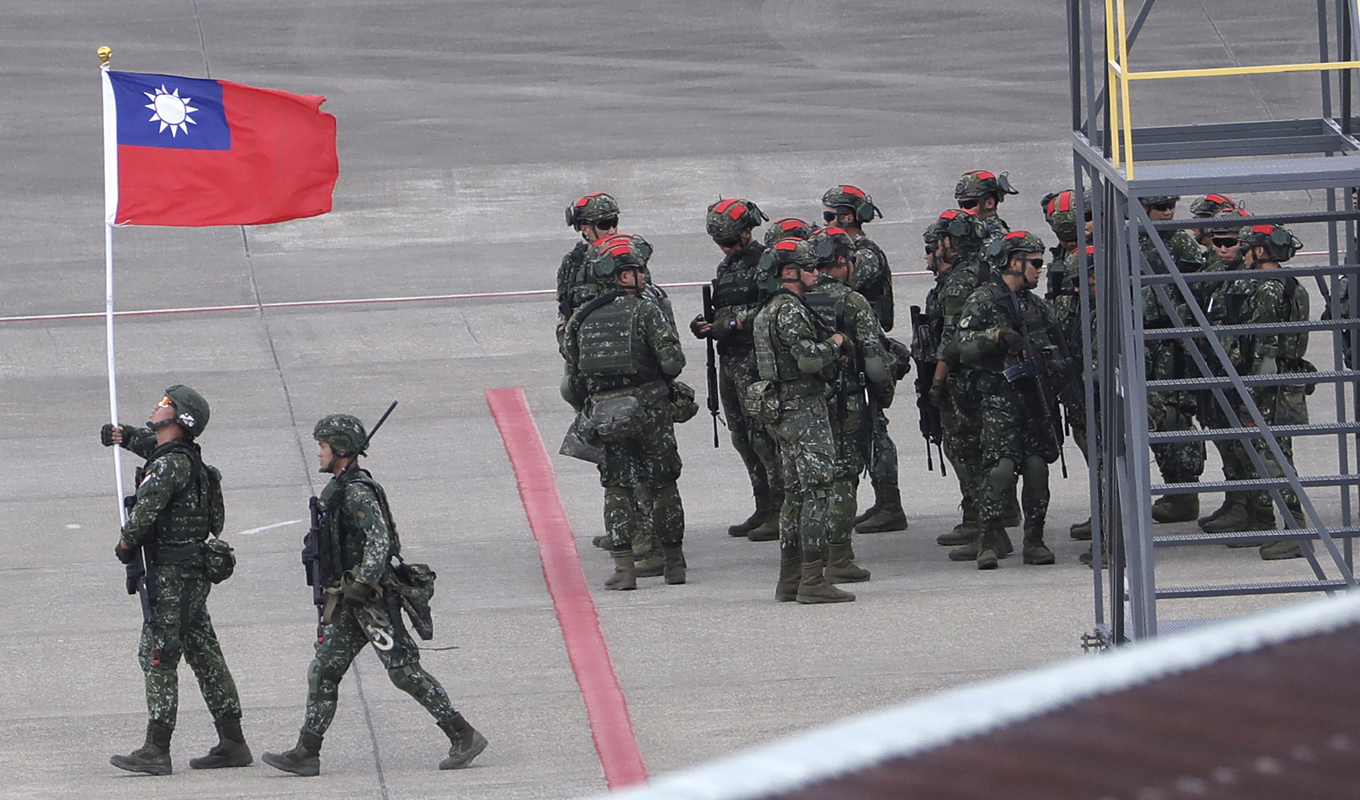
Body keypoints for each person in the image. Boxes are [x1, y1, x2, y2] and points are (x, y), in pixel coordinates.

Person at [262, 414, 487, 775]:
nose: (318, 453)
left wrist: (362, 583)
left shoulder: (356, 491)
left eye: (323, 446)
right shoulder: (341, 487)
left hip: (371, 599)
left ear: (341, 450)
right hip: (350, 599)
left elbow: (379, 542)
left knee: (404, 672)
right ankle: (307, 752)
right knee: (324, 669)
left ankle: (463, 735)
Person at [102, 385, 250, 775]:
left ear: (179, 420)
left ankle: (157, 748)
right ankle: (232, 740)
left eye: (166, 404)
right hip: (190, 573)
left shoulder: (169, 465)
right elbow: (152, 444)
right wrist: (124, 436)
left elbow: (146, 510)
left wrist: (125, 543)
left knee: (157, 654)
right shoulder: (180, 457)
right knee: (202, 650)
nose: (158, 405)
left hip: (173, 574)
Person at [564, 233, 688, 588]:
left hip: (607, 413)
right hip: (650, 409)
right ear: (622, 276)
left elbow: (574, 374)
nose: (643, 278)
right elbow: (673, 362)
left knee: (617, 488)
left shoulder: (582, 318)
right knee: (663, 485)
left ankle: (624, 569)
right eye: (637, 272)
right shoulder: (646, 309)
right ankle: (674, 563)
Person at [957, 232, 1069, 569]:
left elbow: (1060, 347)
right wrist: (995, 336)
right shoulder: (983, 301)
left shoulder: (1036, 306)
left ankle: (1034, 539)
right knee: (1001, 469)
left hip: (1034, 399)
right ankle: (988, 537)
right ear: (1013, 262)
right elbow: (962, 344)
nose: (1040, 269)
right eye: (1034, 262)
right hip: (998, 398)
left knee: (1037, 469)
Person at [753, 239, 854, 603]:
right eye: (810, 268)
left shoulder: (767, 310)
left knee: (794, 495)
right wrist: (836, 343)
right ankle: (813, 578)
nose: (817, 273)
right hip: (803, 409)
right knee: (817, 493)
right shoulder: (791, 311)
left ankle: (790, 577)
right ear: (789, 272)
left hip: (783, 411)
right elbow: (808, 361)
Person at [805, 228, 895, 582]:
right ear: (842, 261)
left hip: (807, 403)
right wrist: (884, 393)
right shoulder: (852, 301)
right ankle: (839, 558)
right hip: (847, 400)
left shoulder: (796, 300)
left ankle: (808, 557)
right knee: (843, 477)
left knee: (809, 481)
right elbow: (875, 361)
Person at [691, 198, 783, 541]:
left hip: (756, 359)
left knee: (764, 437)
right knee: (742, 436)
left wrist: (730, 322)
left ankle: (780, 506)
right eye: (720, 244)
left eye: (730, 242)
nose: (726, 249)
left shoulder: (765, 263)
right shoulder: (727, 268)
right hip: (730, 360)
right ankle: (762, 505)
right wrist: (706, 325)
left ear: (748, 231)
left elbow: (772, 308)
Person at [1220, 224, 1311, 560]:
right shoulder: (1287, 285)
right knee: (1267, 452)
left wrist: (1253, 388)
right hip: (1278, 379)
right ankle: (1272, 521)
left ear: (1259, 252)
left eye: (1245, 248)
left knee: (1273, 455)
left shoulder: (1268, 289)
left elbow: (1265, 342)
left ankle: (1297, 529)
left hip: (1268, 383)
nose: (1240, 254)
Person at [821, 185, 905, 533]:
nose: (824, 221)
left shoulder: (863, 254)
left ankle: (889, 503)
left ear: (849, 216)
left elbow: (843, 287)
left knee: (874, 428)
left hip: (865, 346)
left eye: (830, 215)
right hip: (849, 347)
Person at [1138, 194, 1208, 523]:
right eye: (1159, 208)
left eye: (1170, 207)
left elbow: (1197, 288)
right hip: (1146, 339)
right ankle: (1175, 490)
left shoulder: (1181, 242)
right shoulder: (1132, 237)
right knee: (1153, 414)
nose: (1167, 213)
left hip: (1171, 339)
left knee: (1176, 414)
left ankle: (1184, 493)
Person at [558, 192, 622, 347]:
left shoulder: (627, 256)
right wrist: (568, 346)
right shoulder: (573, 263)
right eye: (604, 225)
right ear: (585, 229)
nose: (612, 230)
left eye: (614, 222)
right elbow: (564, 311)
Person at [954, 169, 1018, 247]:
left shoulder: (998, 238)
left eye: (969, 204)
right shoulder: (965, 230)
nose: (963, 210)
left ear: (989, 203)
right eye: (960, 204)